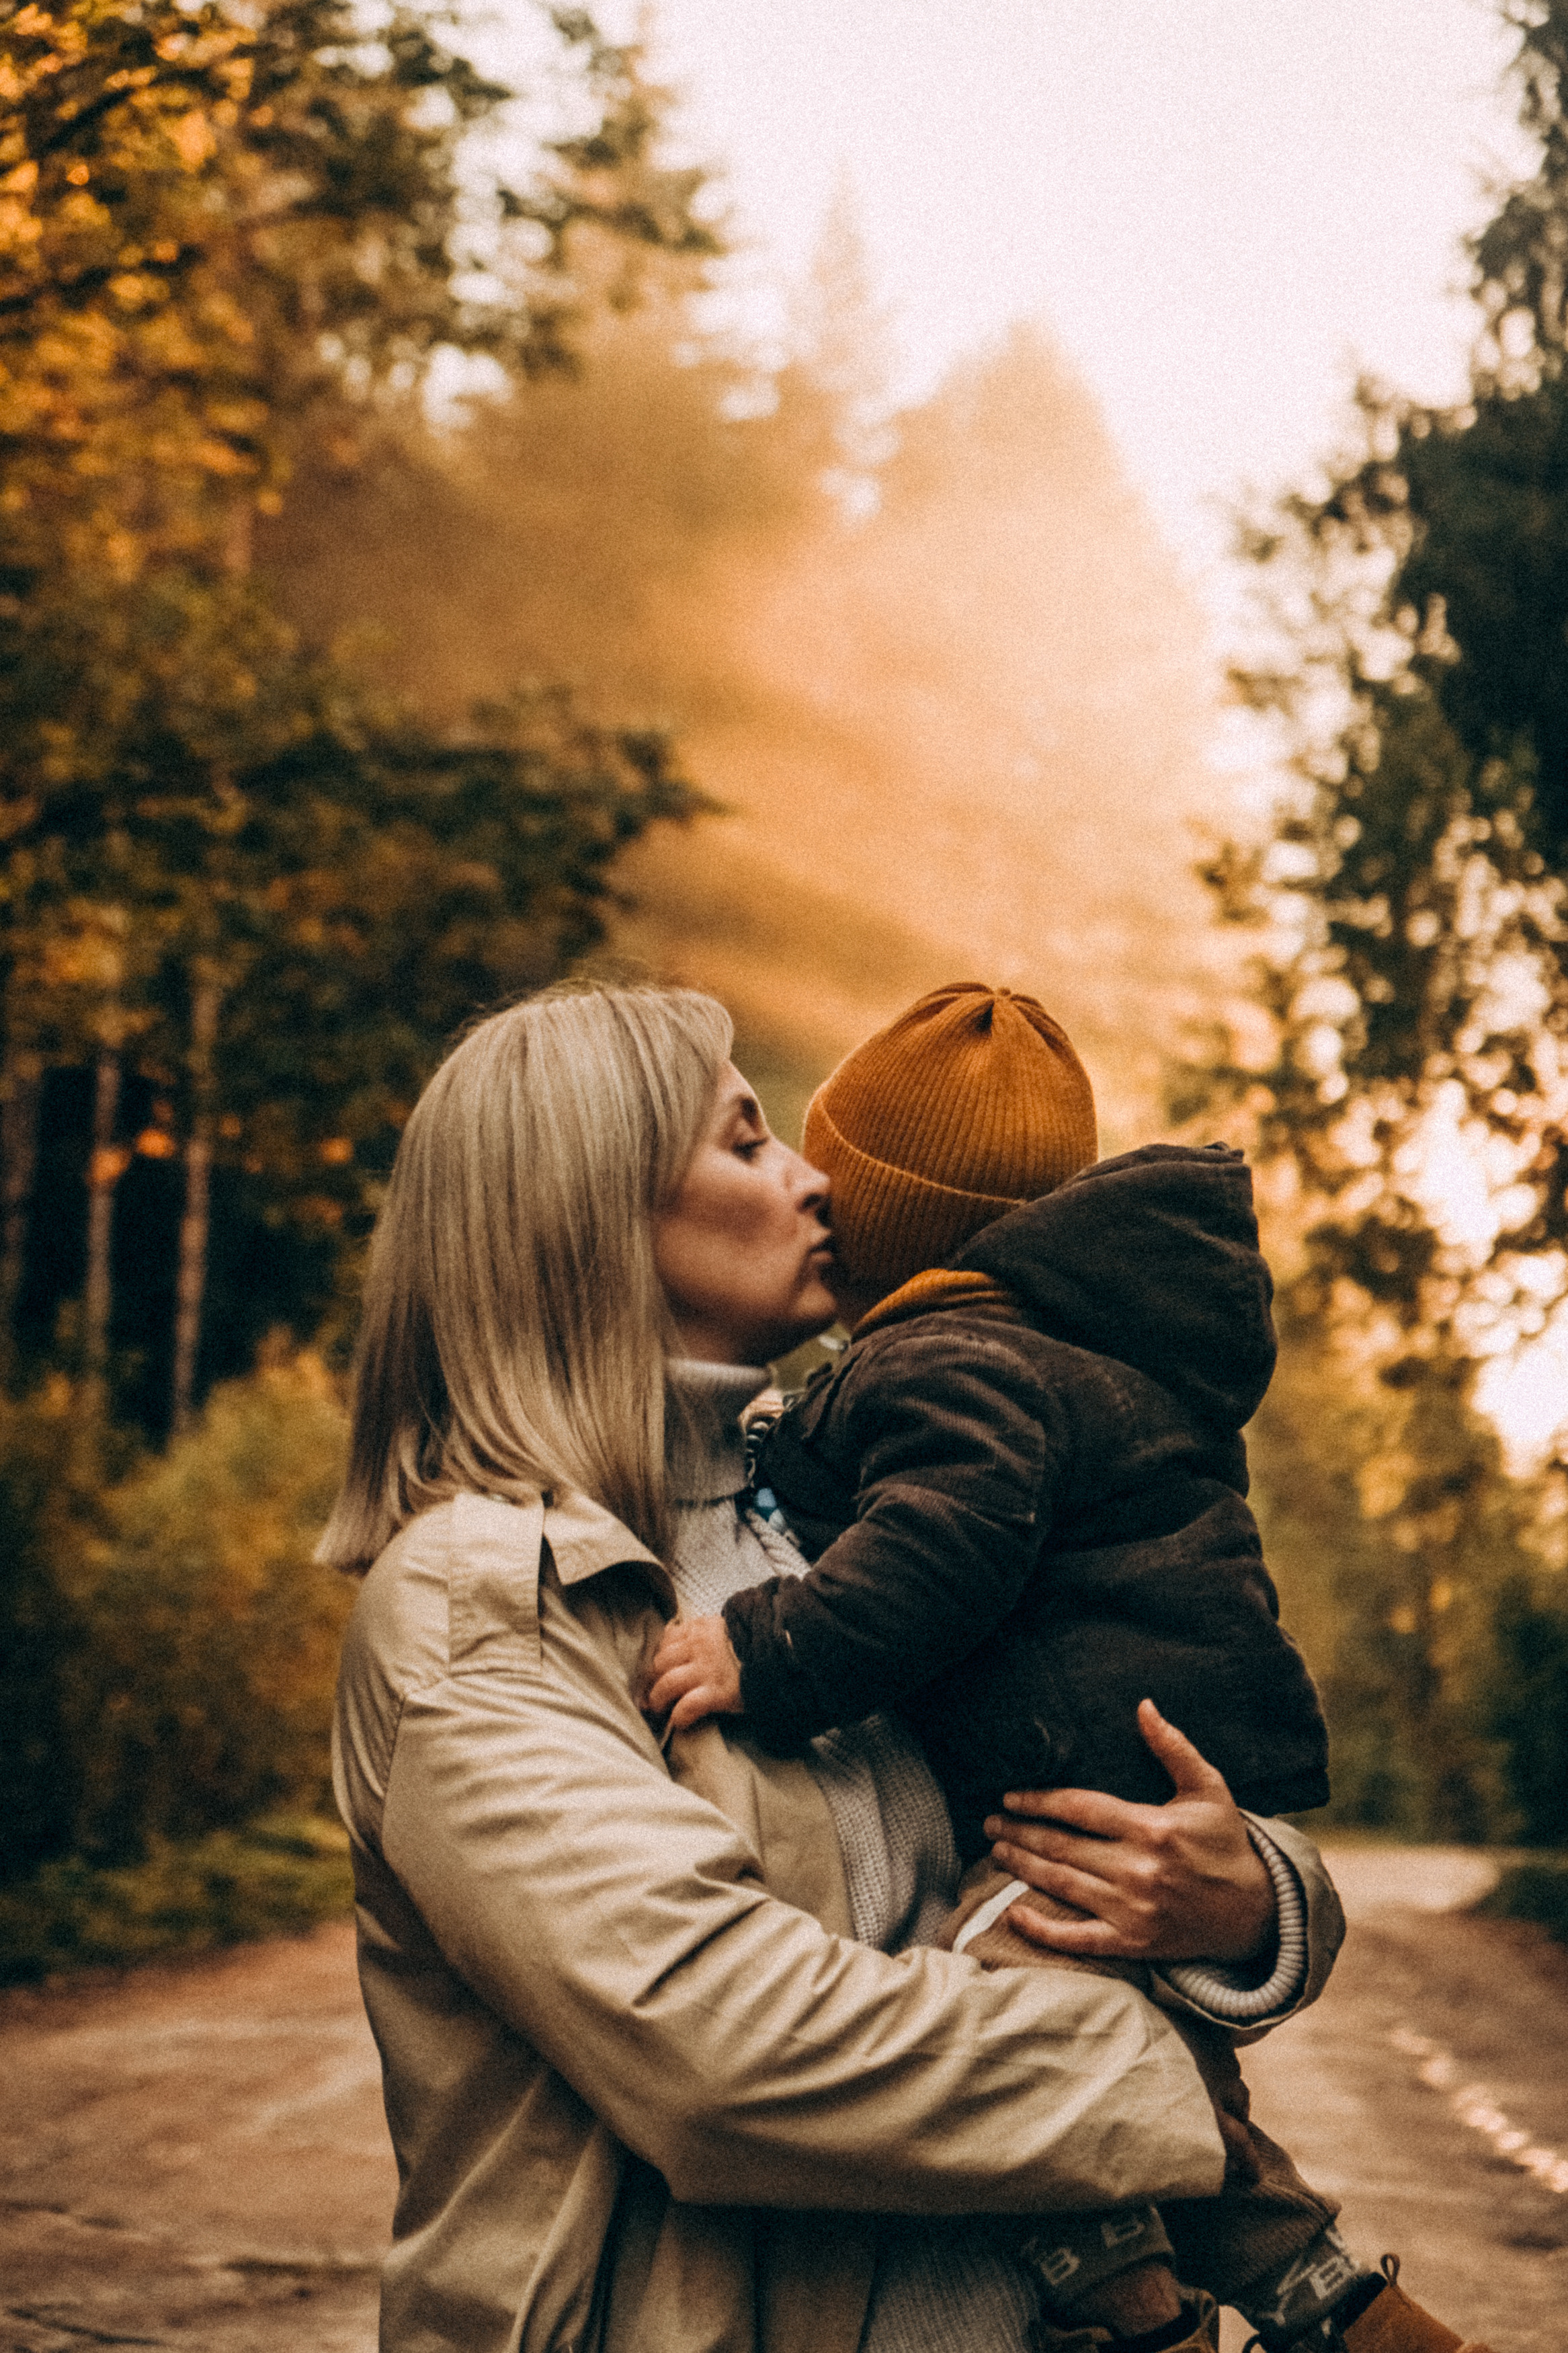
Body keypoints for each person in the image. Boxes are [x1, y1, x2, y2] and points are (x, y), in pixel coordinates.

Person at [323, 984, 1355, 2353]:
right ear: (589, 1209)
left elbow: (1089, 1753)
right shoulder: (491, 1598)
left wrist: (1248, 1903)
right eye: (748, 1141)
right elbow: (723, 2050)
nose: (817, 1182)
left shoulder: (845, 1517)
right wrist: (1171, 2093)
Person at [649, 982, 1490, 2353]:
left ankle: (1142, 2315)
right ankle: (1331, 2301)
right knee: (1173, 2104)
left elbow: (938, 1549)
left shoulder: (944, 1369)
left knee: (1018, 2031)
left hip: (1079, 1792)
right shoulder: (1048, 1358)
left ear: (877, 1221)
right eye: (753, 1148)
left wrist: (766, 1648)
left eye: (812, 1162)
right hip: (1091, 1778)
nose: (798, 1185)